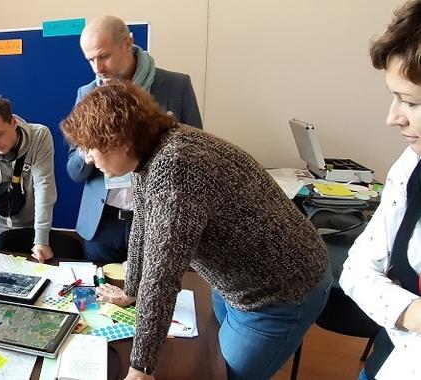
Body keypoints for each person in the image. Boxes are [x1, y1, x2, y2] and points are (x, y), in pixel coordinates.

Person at [61, 81, 330, 380]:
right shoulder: (149, 153)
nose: (87, 158)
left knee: (220, 374)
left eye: (90, 147)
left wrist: (140, 369)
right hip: (239, 280)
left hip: (281, 290)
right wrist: (131, 291)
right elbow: (142, 228)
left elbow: (162, 275)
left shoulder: (175, 167)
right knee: (209, 353)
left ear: (120, 142)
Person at [66, 15, 203, 263]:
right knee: (101, 296)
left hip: (156, 219)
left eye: (103, 56)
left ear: (128, 43)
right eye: (90, 60)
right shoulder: (86, 94)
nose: (97, 68)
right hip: (103, 224)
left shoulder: (175, 86)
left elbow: (196, 158)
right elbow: (74, 172)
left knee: (151, 293)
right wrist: (87, 152)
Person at [339, 1, 421, 379]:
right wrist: (411, 312)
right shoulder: (409, 167)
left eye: (411, 102)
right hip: (389, 361)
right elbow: (356, 271)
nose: (393, 117)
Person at [0, 96, 57, 262]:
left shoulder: (40, 136)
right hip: (1, 222)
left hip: (35, 219)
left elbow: (45, 187)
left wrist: (41, 240)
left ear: (14, 123)